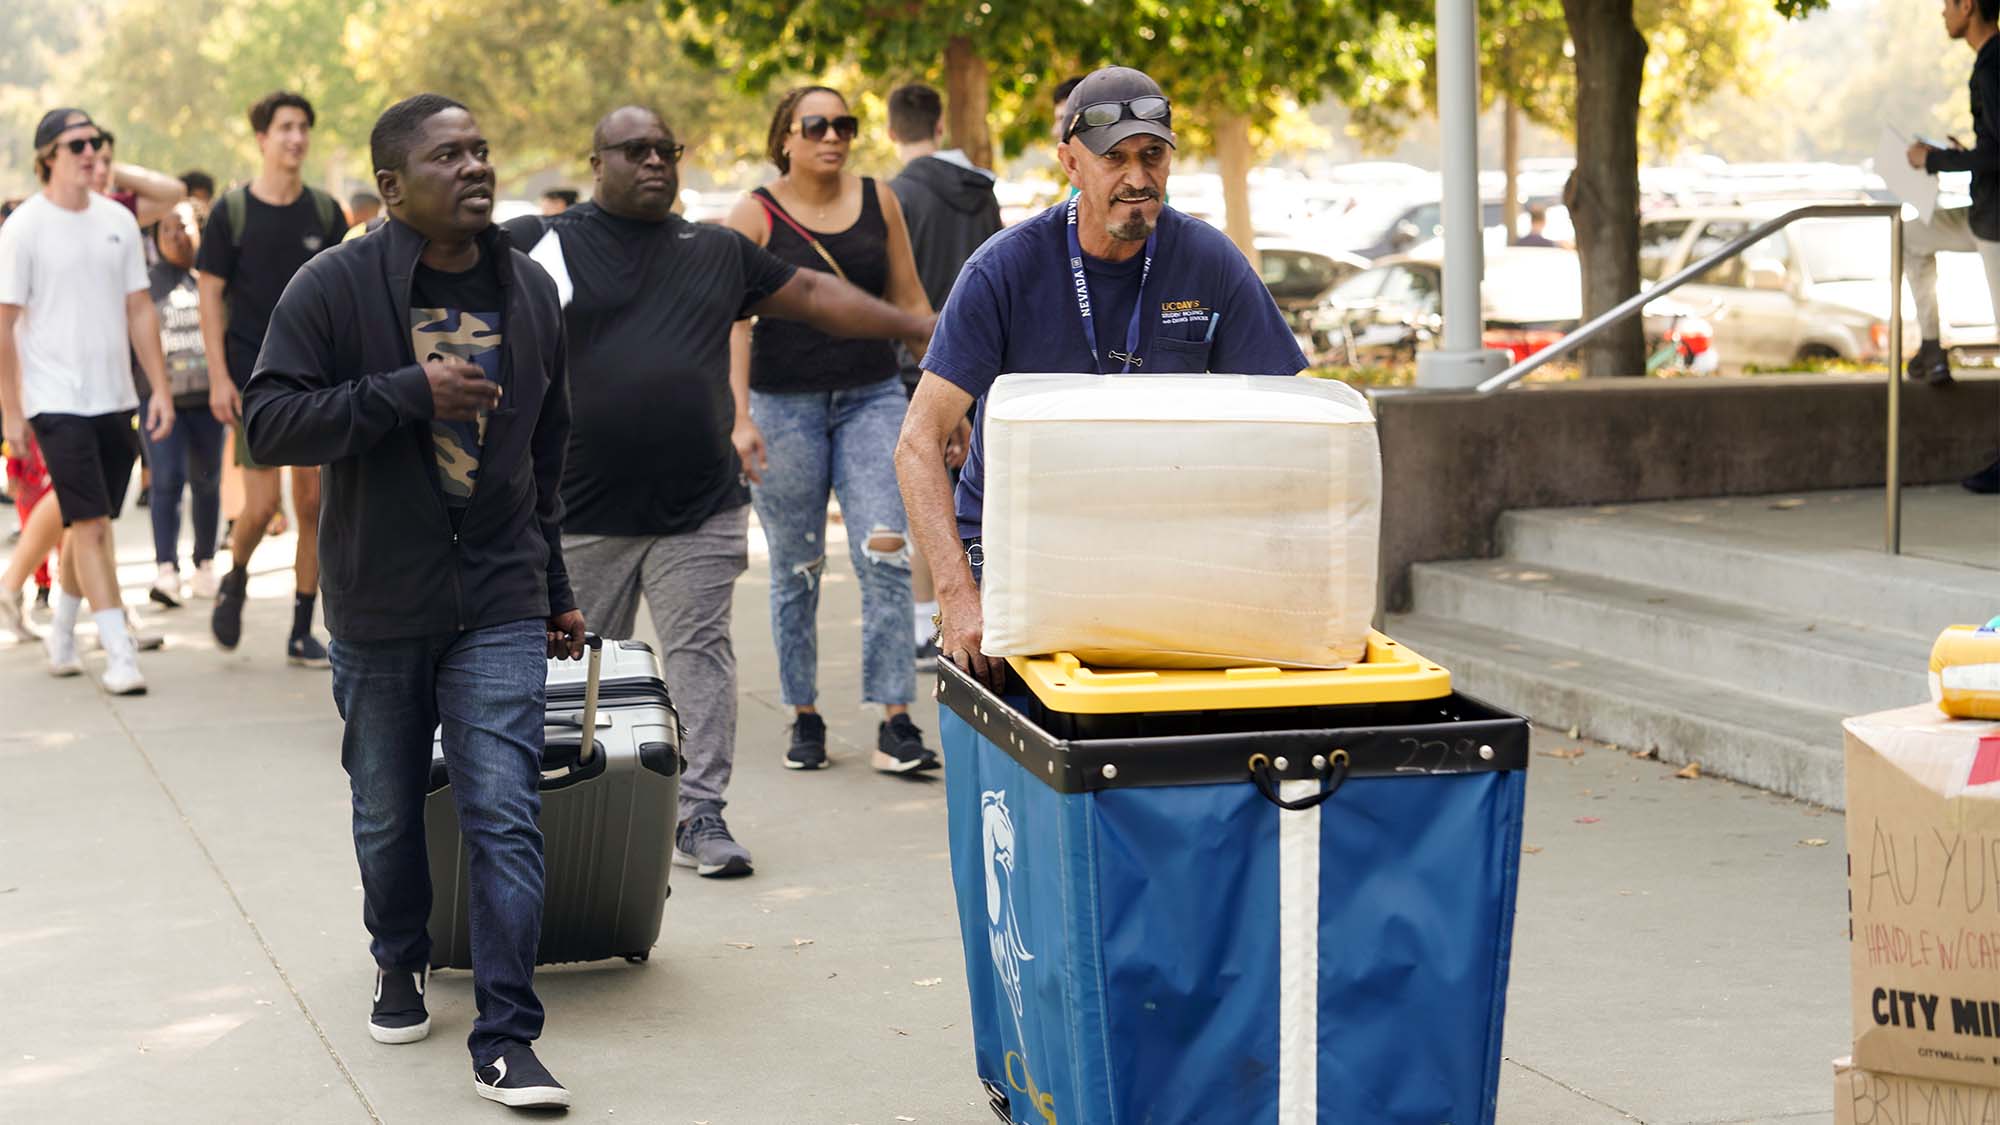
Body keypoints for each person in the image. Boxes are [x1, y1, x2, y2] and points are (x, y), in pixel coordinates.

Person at [243, 93, 583, 1110]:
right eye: (448, 155)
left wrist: (556, 584)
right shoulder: (333, 285)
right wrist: (405, 393)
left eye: (481, 150)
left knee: (505, 814)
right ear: (392, 187)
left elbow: (546, 451)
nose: (475, 167)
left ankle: (506, 1035)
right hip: (379, 598)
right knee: (387, 812)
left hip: (499, 594)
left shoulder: (528, 293)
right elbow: (267, 422)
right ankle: (397, 955)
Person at [522, 106, 938, 877]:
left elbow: (814, 295)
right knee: (576, 670)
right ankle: (562, 815)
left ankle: (700, 814)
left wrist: (915, 326)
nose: (654, 160)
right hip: (582, 511)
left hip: (699, 507)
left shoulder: (712, 249)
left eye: (666, 148)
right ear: (596, 160)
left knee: (700, 656)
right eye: (635, 149)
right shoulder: (548, 244)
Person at [894, 66, 1310, 689]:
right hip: (1016, 546)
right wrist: (956, 596)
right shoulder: (1004, 269)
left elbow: (1287, 421)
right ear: (1070, 161)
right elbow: (917, 443)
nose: (1137, 179)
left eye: (1153, 155)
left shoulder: (1208, 258)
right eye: (1114, 158)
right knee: (1032, 746)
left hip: (1162, 541)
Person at [724, 85, 940, 776]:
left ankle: (895, 720)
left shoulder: (881, 200)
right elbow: (732, 320)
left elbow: (910, 302)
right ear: (784, 135)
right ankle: (804, 713)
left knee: (885, 548)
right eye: (816, 124)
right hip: (782, 406)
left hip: (871, 397)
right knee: (796, 566)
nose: (833, 135)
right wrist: (738, 417)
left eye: (845, 123)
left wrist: (943, 401)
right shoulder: (753, 213)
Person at [0, 108, 176, 693]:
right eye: (78, 143)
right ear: (48, 153)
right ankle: (119, 653)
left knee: (84, 523)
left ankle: (62, 634)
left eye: (97, 140)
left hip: (115, 397)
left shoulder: (118, 222)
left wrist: (160, 388)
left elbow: (139, 307)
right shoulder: (24, 227)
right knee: (94, 523)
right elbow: (4, 325)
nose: (90, 151)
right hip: (53, 398)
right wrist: (11, 410)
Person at [196, 90, 347, 666]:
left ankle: (301, 627)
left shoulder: (325, 212)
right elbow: (210, 296)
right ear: (262, 138)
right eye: (285, 127)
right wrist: (217, 377)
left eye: (304, 127)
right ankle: (235, 576)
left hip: (316, 382)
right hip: (253, 382)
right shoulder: (231, 213)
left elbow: (342, 296)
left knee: (311, 504)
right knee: (259, 509)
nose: (297, 137)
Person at [886, 82, 994, 667]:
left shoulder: (895, 194)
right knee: (976, 491)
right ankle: (977, 606)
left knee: (925, 494)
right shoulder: (982, 189)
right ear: (939, 122)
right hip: (986, 360)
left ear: (890, 128)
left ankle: (929, 624)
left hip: (919, 361)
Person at [140, 200, 226, 607]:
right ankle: (166, 569)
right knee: (166, 481)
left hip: (208, 402)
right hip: (162, 403)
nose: (175, 236)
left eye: (183, 227)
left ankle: (205, 564)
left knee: (207, 482)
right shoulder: (144, 284)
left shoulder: (209, 280)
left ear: (198, 229)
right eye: (166, 230)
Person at [89, 131, 187, 226]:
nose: (101, 170)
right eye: (91, 161)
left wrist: (112, 170)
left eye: (106, 161)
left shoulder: (115, 208)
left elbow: (175, 192)